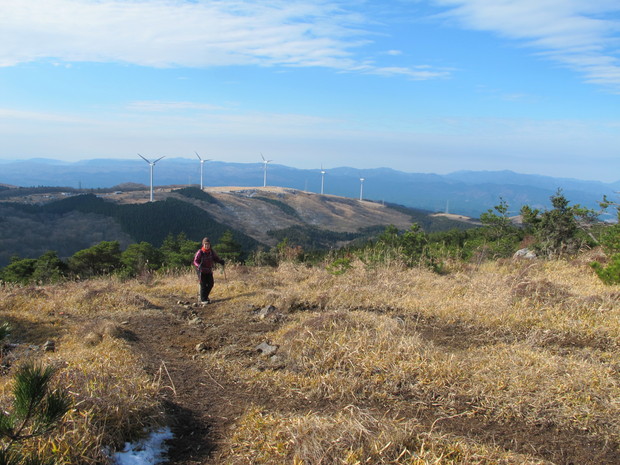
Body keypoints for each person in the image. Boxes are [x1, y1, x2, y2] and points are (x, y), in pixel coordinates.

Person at [193, 237, 225, 304]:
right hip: (201, 270)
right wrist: (198, 266)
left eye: (208, 244)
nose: (207, 246)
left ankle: (204, 297)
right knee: (203, 284)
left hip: (209, 270)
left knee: (211, 284)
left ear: (210, 245)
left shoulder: (211, 252)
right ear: (203, 245)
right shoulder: (200, 252)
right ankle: (203, 299)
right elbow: (195, 261)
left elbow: (216, 258)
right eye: (205, 244)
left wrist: (220, 261)